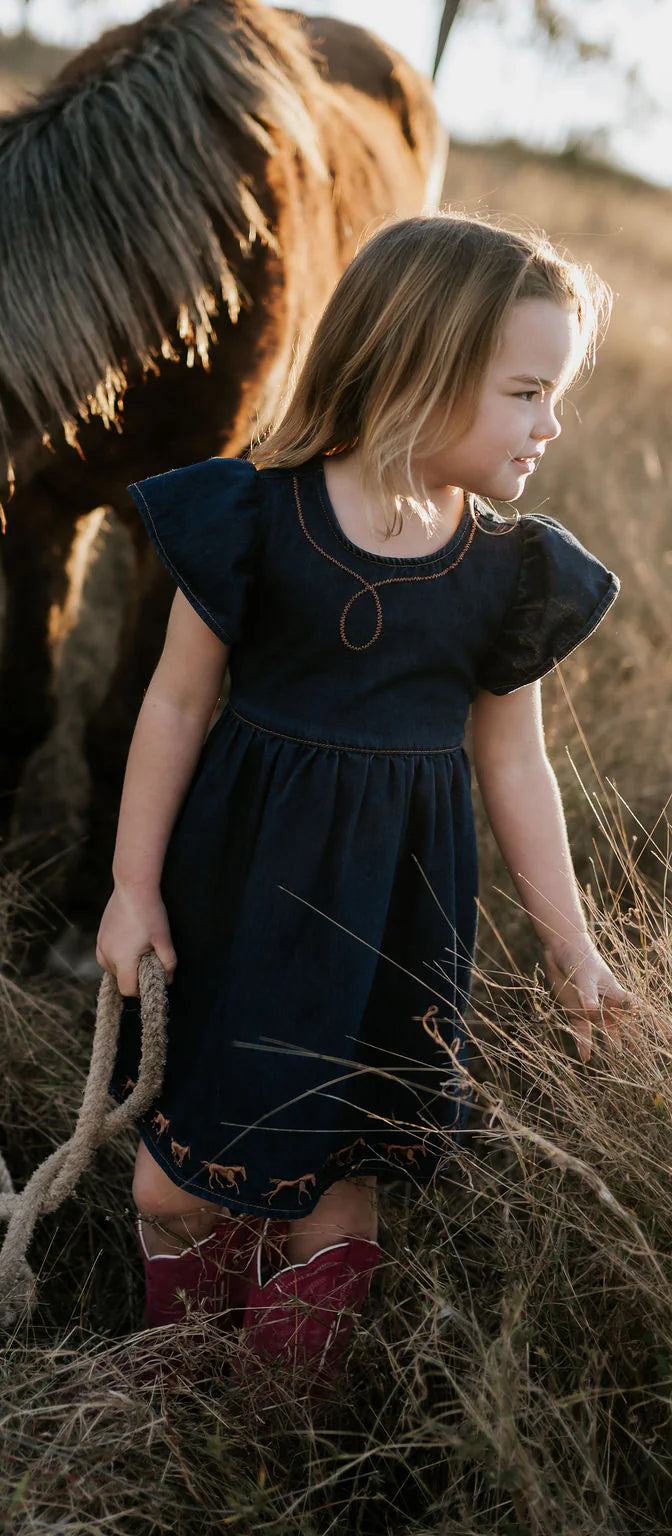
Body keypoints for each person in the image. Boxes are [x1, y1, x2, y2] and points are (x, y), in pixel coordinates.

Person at [94, 214, 633, 1379]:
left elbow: (514, 764)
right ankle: (168, 1406)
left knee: (335, 1199)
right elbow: (177, 705)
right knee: (174, 1181)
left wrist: (570, 949)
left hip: (393, 924)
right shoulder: (254, 515)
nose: (550, 425)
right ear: (417, 368)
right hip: (237, 901)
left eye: (554, 394)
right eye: (527, 391)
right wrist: (132, 886)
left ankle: (272, 1441)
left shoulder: (505, 572)